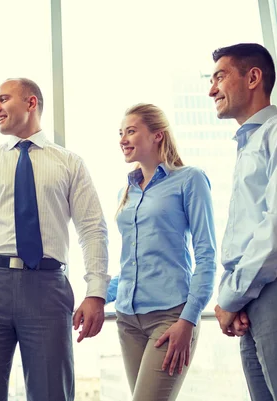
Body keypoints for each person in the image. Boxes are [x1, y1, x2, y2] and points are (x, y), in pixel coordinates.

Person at [0, 78, 109, 401]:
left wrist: (96, 292)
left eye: (3, 99)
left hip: (47, 287)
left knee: (52, 394)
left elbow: (92, 228)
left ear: (31, 103)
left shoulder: (70, 163)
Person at [210, 43, 277, 400]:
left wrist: (232, 296)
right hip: (253, 293)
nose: (211, 90)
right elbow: (244, 235)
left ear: (253, 77)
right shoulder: (247, 148)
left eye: (219, 77)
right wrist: (234, 297)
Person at [114, 103, 216, 401]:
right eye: (120, 133)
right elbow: (132, 262)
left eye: (131, 131)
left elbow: (206, 256)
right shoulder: (127, 190)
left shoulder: (189, 179)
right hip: (127, 319)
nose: (122, 139)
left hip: (170, 317)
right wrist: (95, 295)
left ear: (157, 135)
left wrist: (188, 320)